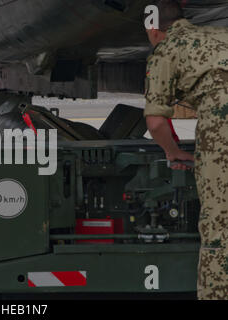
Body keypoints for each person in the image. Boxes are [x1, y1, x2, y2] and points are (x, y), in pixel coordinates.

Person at [143, 0, 228, 299]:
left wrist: (172, 151)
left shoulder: (166, 51)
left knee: (220, 227)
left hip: (223, 126)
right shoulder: (220, 34)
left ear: (153, 29)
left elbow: (155, 122)